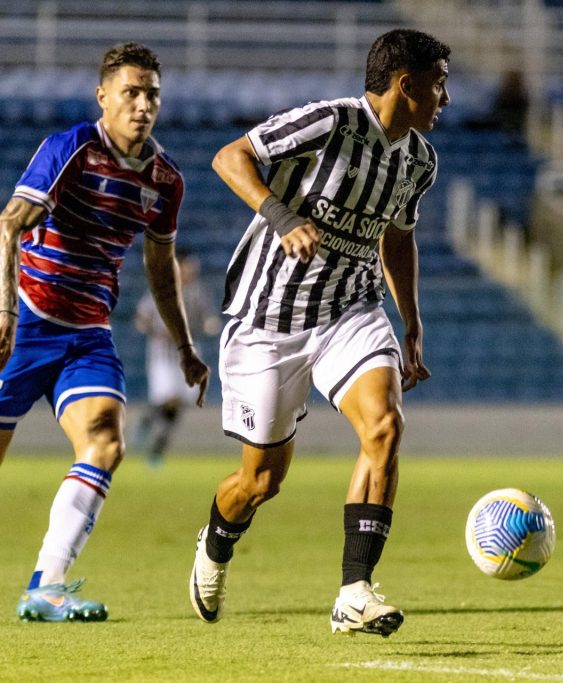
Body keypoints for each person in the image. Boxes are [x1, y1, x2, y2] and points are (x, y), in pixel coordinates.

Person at [0, 42, 209, 622]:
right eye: (130, 92)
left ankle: (45, 585)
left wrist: (184, 345)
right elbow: (5, 230)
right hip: (27, 320)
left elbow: (160, 268)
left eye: (151, 93)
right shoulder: (71, 149)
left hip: (88, 333)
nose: (142, 104)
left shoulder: (165, 181)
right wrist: (4, 313)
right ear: (103, 96)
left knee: (106, 440)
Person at [188, 28, 450, 637]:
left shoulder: (419, 161)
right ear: (404, 84)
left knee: (384, 426)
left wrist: (411, 322)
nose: (446, 98)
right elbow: (230, 157)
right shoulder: (329, 122)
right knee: (260, 482)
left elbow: (397, 237)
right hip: (267, 322)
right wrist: (282, 218)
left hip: (350, 314)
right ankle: (217, 541)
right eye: (438, 84)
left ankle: (355, 592)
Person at [133, 251, 221, 466]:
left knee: (179, 403)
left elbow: (209, 319)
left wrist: (210, 325)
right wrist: (153, 329)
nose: (191, 272)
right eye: (187, 267)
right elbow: (141, 318)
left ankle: (152, 430)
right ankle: (156, 445)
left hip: (190, 354)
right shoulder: (161, 290)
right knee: (169, 398)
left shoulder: (199, 292)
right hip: (163, 355)